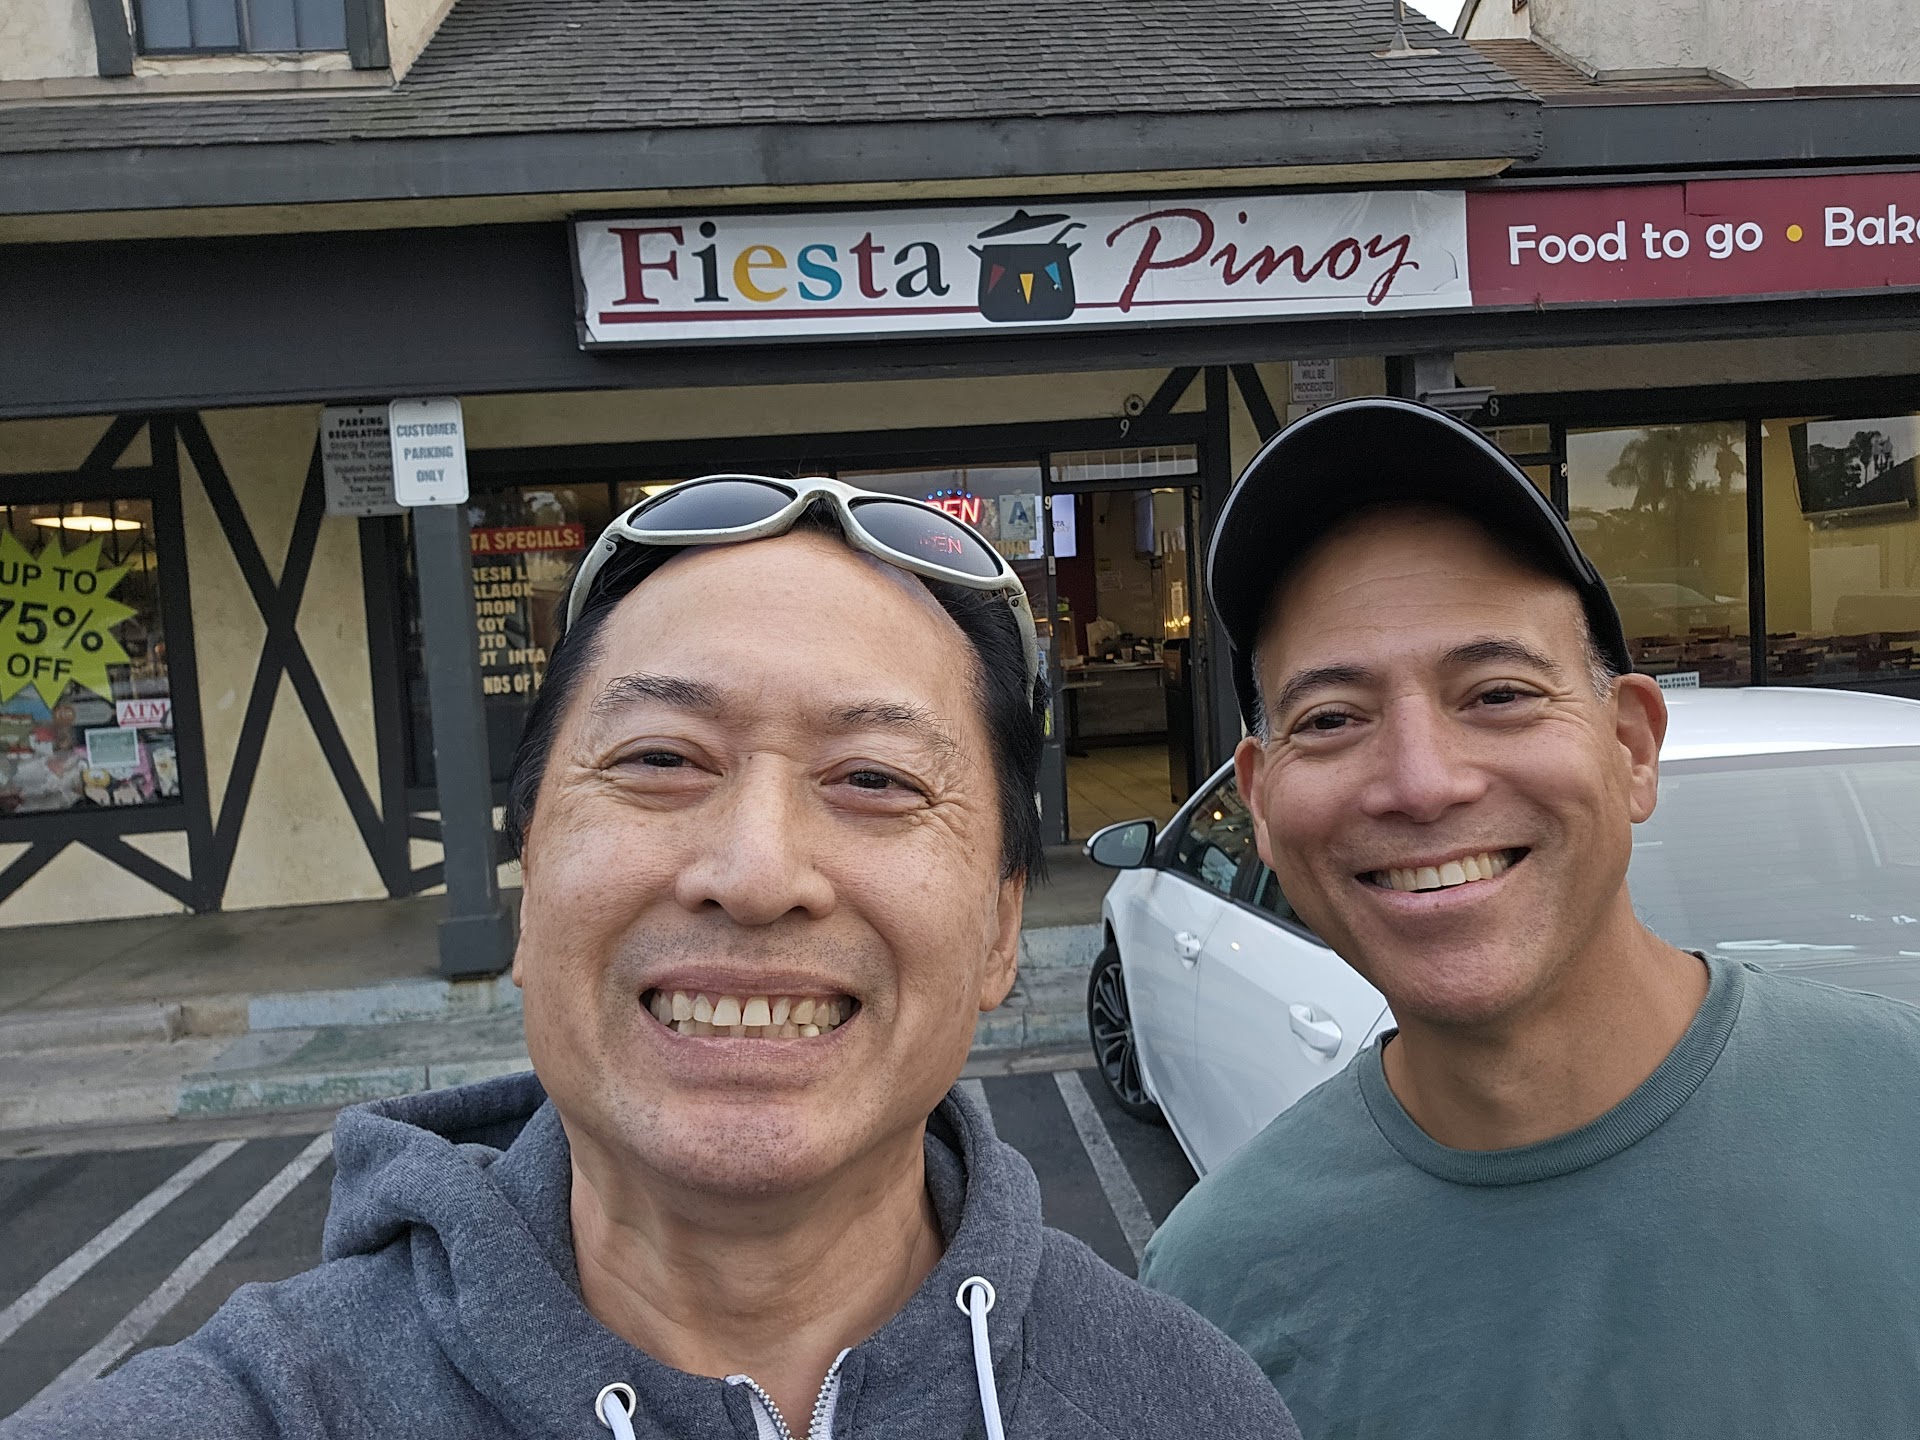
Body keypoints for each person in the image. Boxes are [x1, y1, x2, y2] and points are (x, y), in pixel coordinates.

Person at [6, 476, 1298, 1440]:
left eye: (874, 778)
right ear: (528, 884)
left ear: (1002, 928)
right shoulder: (263, 1408)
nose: (756, 871)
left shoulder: (1186, 1407)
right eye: (662, 759)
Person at [1139, 399, 1920, 1438]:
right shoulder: (1210, 1294)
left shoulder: (1899, 1118)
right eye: (1330, 719)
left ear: (1631, 748)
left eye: (1499, 694)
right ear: (1264, 808)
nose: (1422, 783)